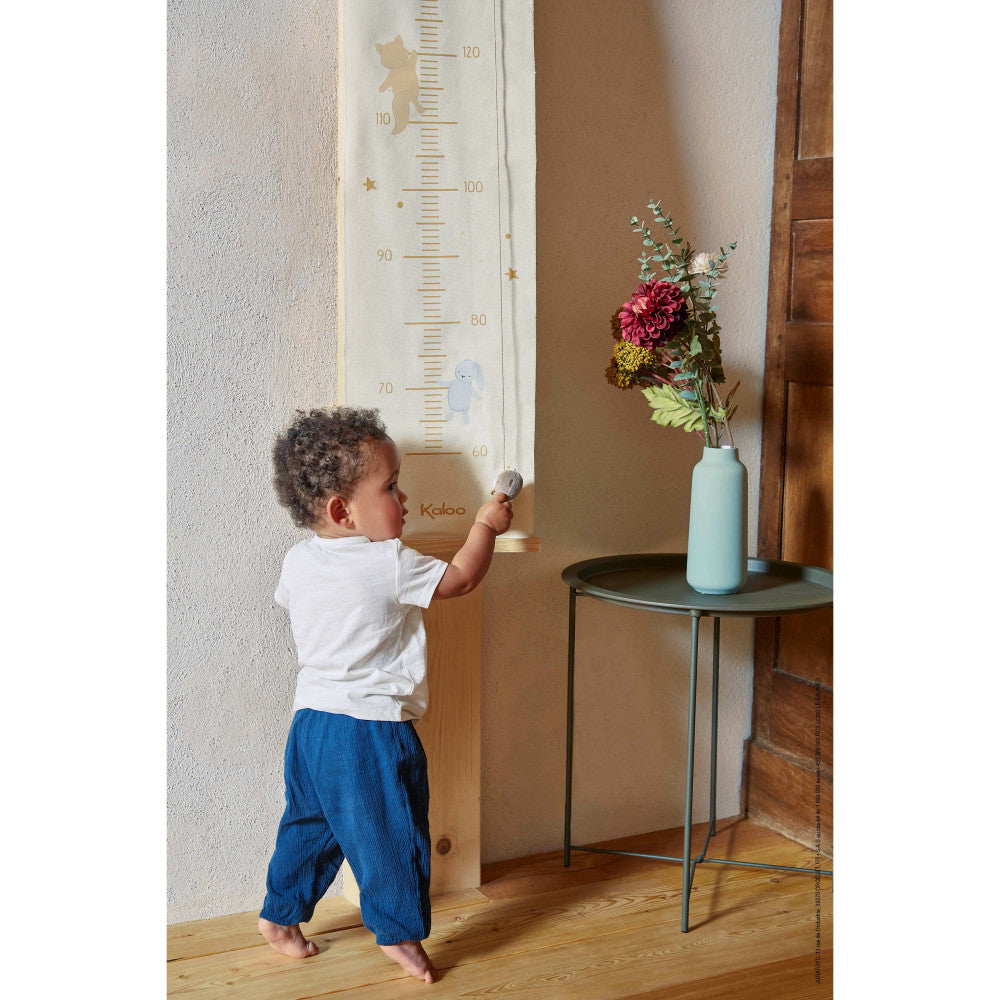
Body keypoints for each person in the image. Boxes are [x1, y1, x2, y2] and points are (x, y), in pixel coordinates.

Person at [257, 406, 513, 984]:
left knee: (309, 825)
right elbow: (461, 579)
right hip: (368, 730)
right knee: (391, 834)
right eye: (391, 487)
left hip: (311, 724)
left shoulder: (298, 560)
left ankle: (280, 914)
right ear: (342, 511)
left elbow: (297, 604)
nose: (404, 498)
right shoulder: (387, 562)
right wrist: (485, 527)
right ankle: (398, 934)